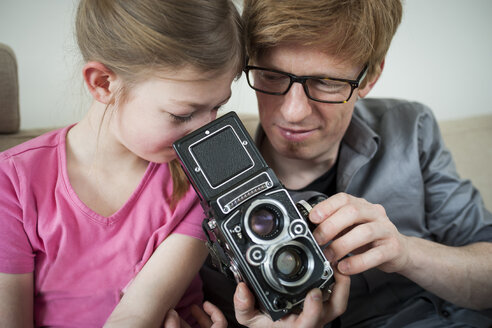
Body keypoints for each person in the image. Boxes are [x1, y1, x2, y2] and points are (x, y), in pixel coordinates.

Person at [196, 0, 492, 327]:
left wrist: (407, 253)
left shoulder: (411, 127)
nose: (293, 112)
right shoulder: (200, 179)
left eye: (325, 82)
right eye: (271, 75)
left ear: (370, 76)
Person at [0, 0, 245, 326]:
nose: (203, 133)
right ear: (103, 83)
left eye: (216, 108)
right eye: (182, 115)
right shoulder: (13, 182)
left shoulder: (202, 178)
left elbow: (135, 317)